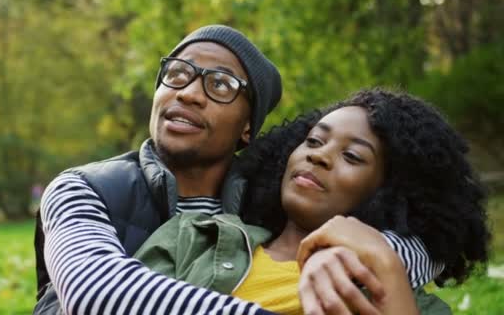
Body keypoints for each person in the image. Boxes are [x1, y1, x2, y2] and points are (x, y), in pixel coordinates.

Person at [33, 24, 439, 314]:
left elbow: (432, 236)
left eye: (220, 85)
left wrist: (345, 259)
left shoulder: (275, 196)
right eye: (176, 74)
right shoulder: (82, 188)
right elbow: (94, 290)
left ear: (248, 126)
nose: (189, 93)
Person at [133, 89, 490, 314]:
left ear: (392, 193)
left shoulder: (412, 303)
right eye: (314, 141)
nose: (318, 157)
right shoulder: (195, 238)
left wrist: (385, 265)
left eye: (352, 157)